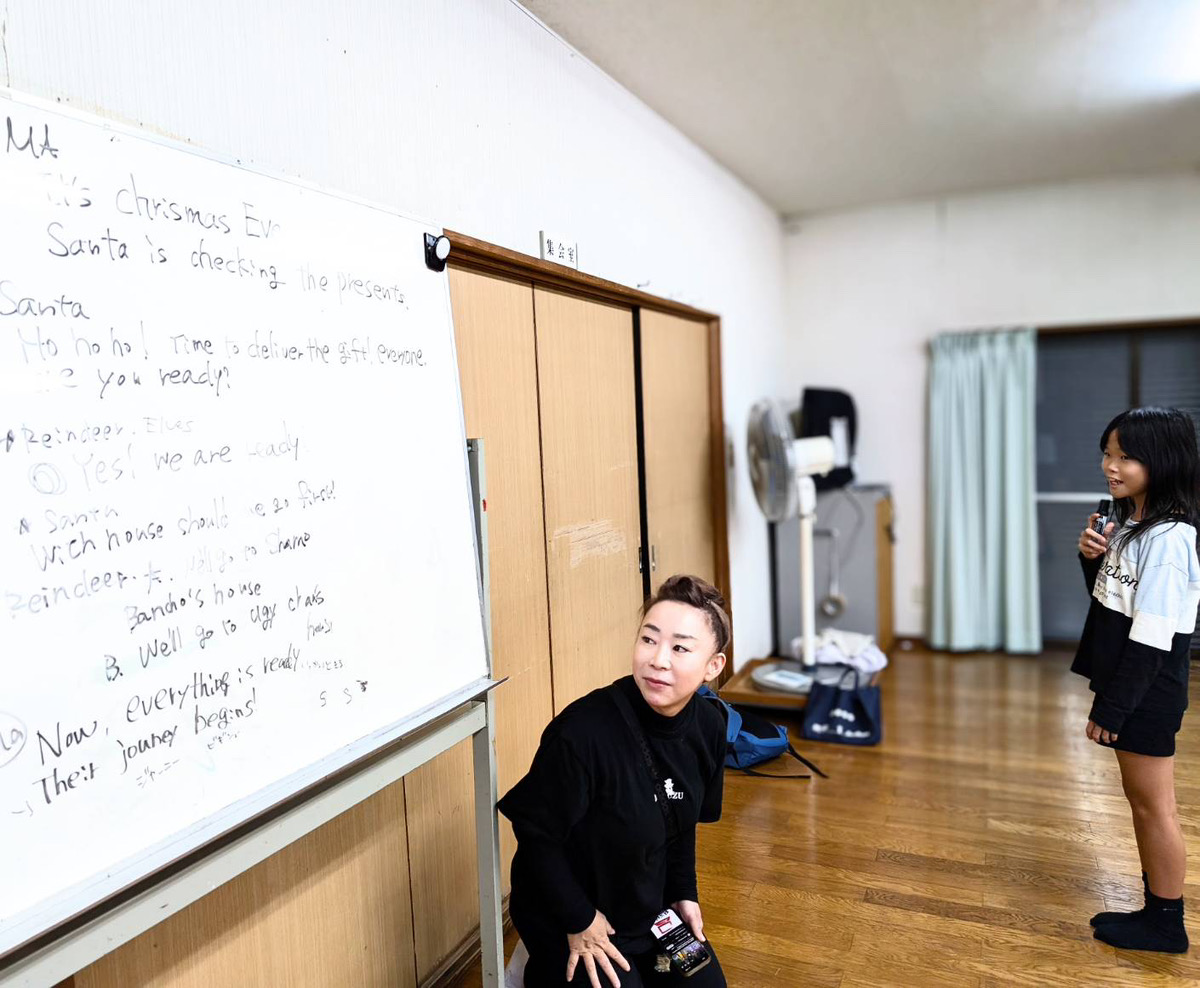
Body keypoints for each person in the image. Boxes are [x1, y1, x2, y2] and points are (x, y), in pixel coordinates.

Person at [497, 575, 731, 987]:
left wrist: (685, 892)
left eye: (680, 647)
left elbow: (681, 823)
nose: (658, 659)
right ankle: (537, 966)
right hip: (574, 912)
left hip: (650, 910)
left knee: (705, 984)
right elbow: (536, 836)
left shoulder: (710, 725)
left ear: (713, 666)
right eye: (648, 640)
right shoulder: (582, 732)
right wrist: (578, 919)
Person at [1074, 407, 1200, 953]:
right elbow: (1111, 604)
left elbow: (1154, 637)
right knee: (1142, 802)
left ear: (1163, 459)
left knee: (1155, 807)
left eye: (1126, 455)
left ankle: (1166, 924)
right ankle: (1156, 913)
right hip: (1130, 683)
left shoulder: (1170, 538)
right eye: (1108, 452)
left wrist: (1113, 709)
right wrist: (1090, 559)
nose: (1111, 465)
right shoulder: (1131, 525)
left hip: (1147, 690)